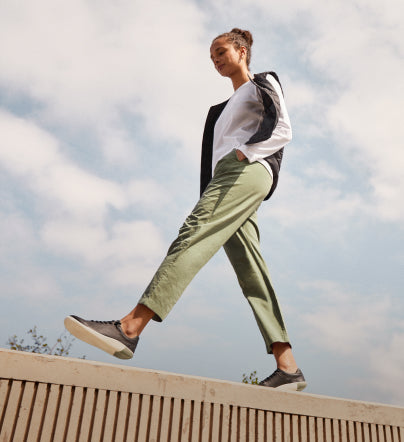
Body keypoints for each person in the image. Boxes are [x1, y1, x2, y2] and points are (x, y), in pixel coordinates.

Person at [65, 28, 306, 391]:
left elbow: (283, 127)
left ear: (242, 51)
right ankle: (287, 365)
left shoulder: (262, 81)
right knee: (251, 269)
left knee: (192, 235)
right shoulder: (221, 110)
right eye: (211, 56)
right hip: (229, 178)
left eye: (221, 51)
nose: (215, 59)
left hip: (245, 170)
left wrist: (247, 154)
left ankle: (130, 328)